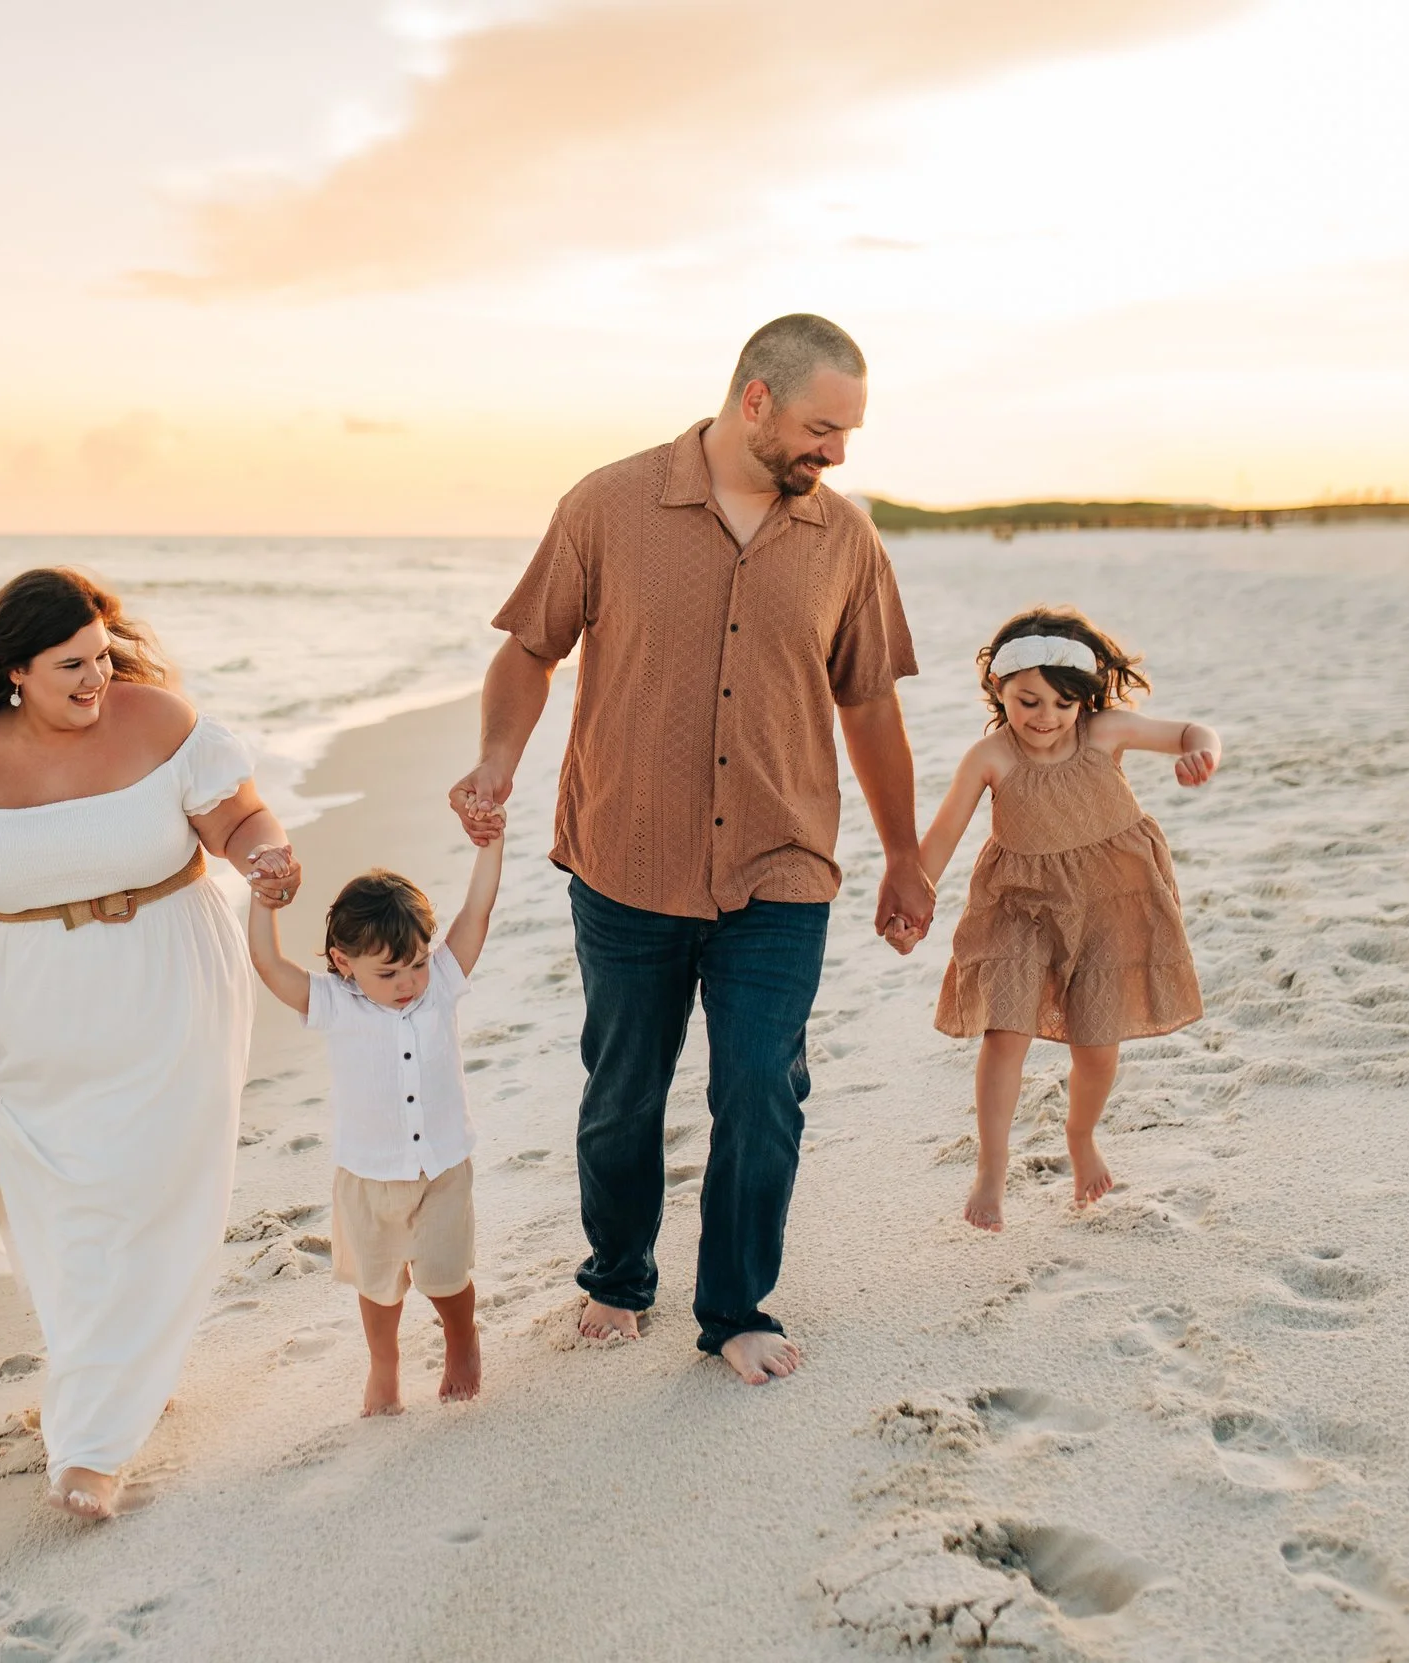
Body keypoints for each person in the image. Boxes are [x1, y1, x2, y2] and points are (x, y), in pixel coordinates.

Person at [450, 314, 933, 1386]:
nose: (837, 454)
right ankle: (618, 1275)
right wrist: (496, 762)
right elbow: (531, 650)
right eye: (821, 427)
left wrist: (904, 855)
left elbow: (868, 706)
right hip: (627, 854)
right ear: (753, 399)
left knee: (763, 1083)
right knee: (624, 1086)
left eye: (847, 432)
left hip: (782, 859)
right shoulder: (607, 504)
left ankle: (736, 1306)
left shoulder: (844, 539)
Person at [0, 567, 302, 1520]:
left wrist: (265, 855)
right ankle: (120, 1371)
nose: (96, 679)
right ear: (13, 673)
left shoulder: (160, 722)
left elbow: (237, 815)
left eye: (103, 656)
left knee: (163, 1194)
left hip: (172, 980)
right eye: (71, 665)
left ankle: (91, 1450)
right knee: (66, 1211)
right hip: (35, 1008)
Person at [900, 607, 1218, 1231]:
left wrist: (1202, 754)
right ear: (998, 688)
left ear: (1084, 701)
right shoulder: (990, 757)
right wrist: (914, 901)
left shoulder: (1105, 734)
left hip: (1110, 903)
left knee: (1097, 1047)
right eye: (1028, 701)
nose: (1044, 718)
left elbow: (1191, 731)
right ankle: (992, 1169)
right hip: (1021, 906)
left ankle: (1081, 1136)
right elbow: (941, 837)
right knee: (1004, 1034)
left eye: (1062, 705)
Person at [245, 821, 505, 1417]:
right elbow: (266, 962)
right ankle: (383, 1362)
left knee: (446, 1274)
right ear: (343, 961)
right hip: (367, 1174)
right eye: (387, 973)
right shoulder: (332, 1001)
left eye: (414, 964)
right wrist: (264, 902)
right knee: (379, 1284)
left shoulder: (439, 982)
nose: (408, 983)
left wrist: (490, 845)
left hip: (441, 1164)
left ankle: (461, 1340)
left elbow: (477, 914)